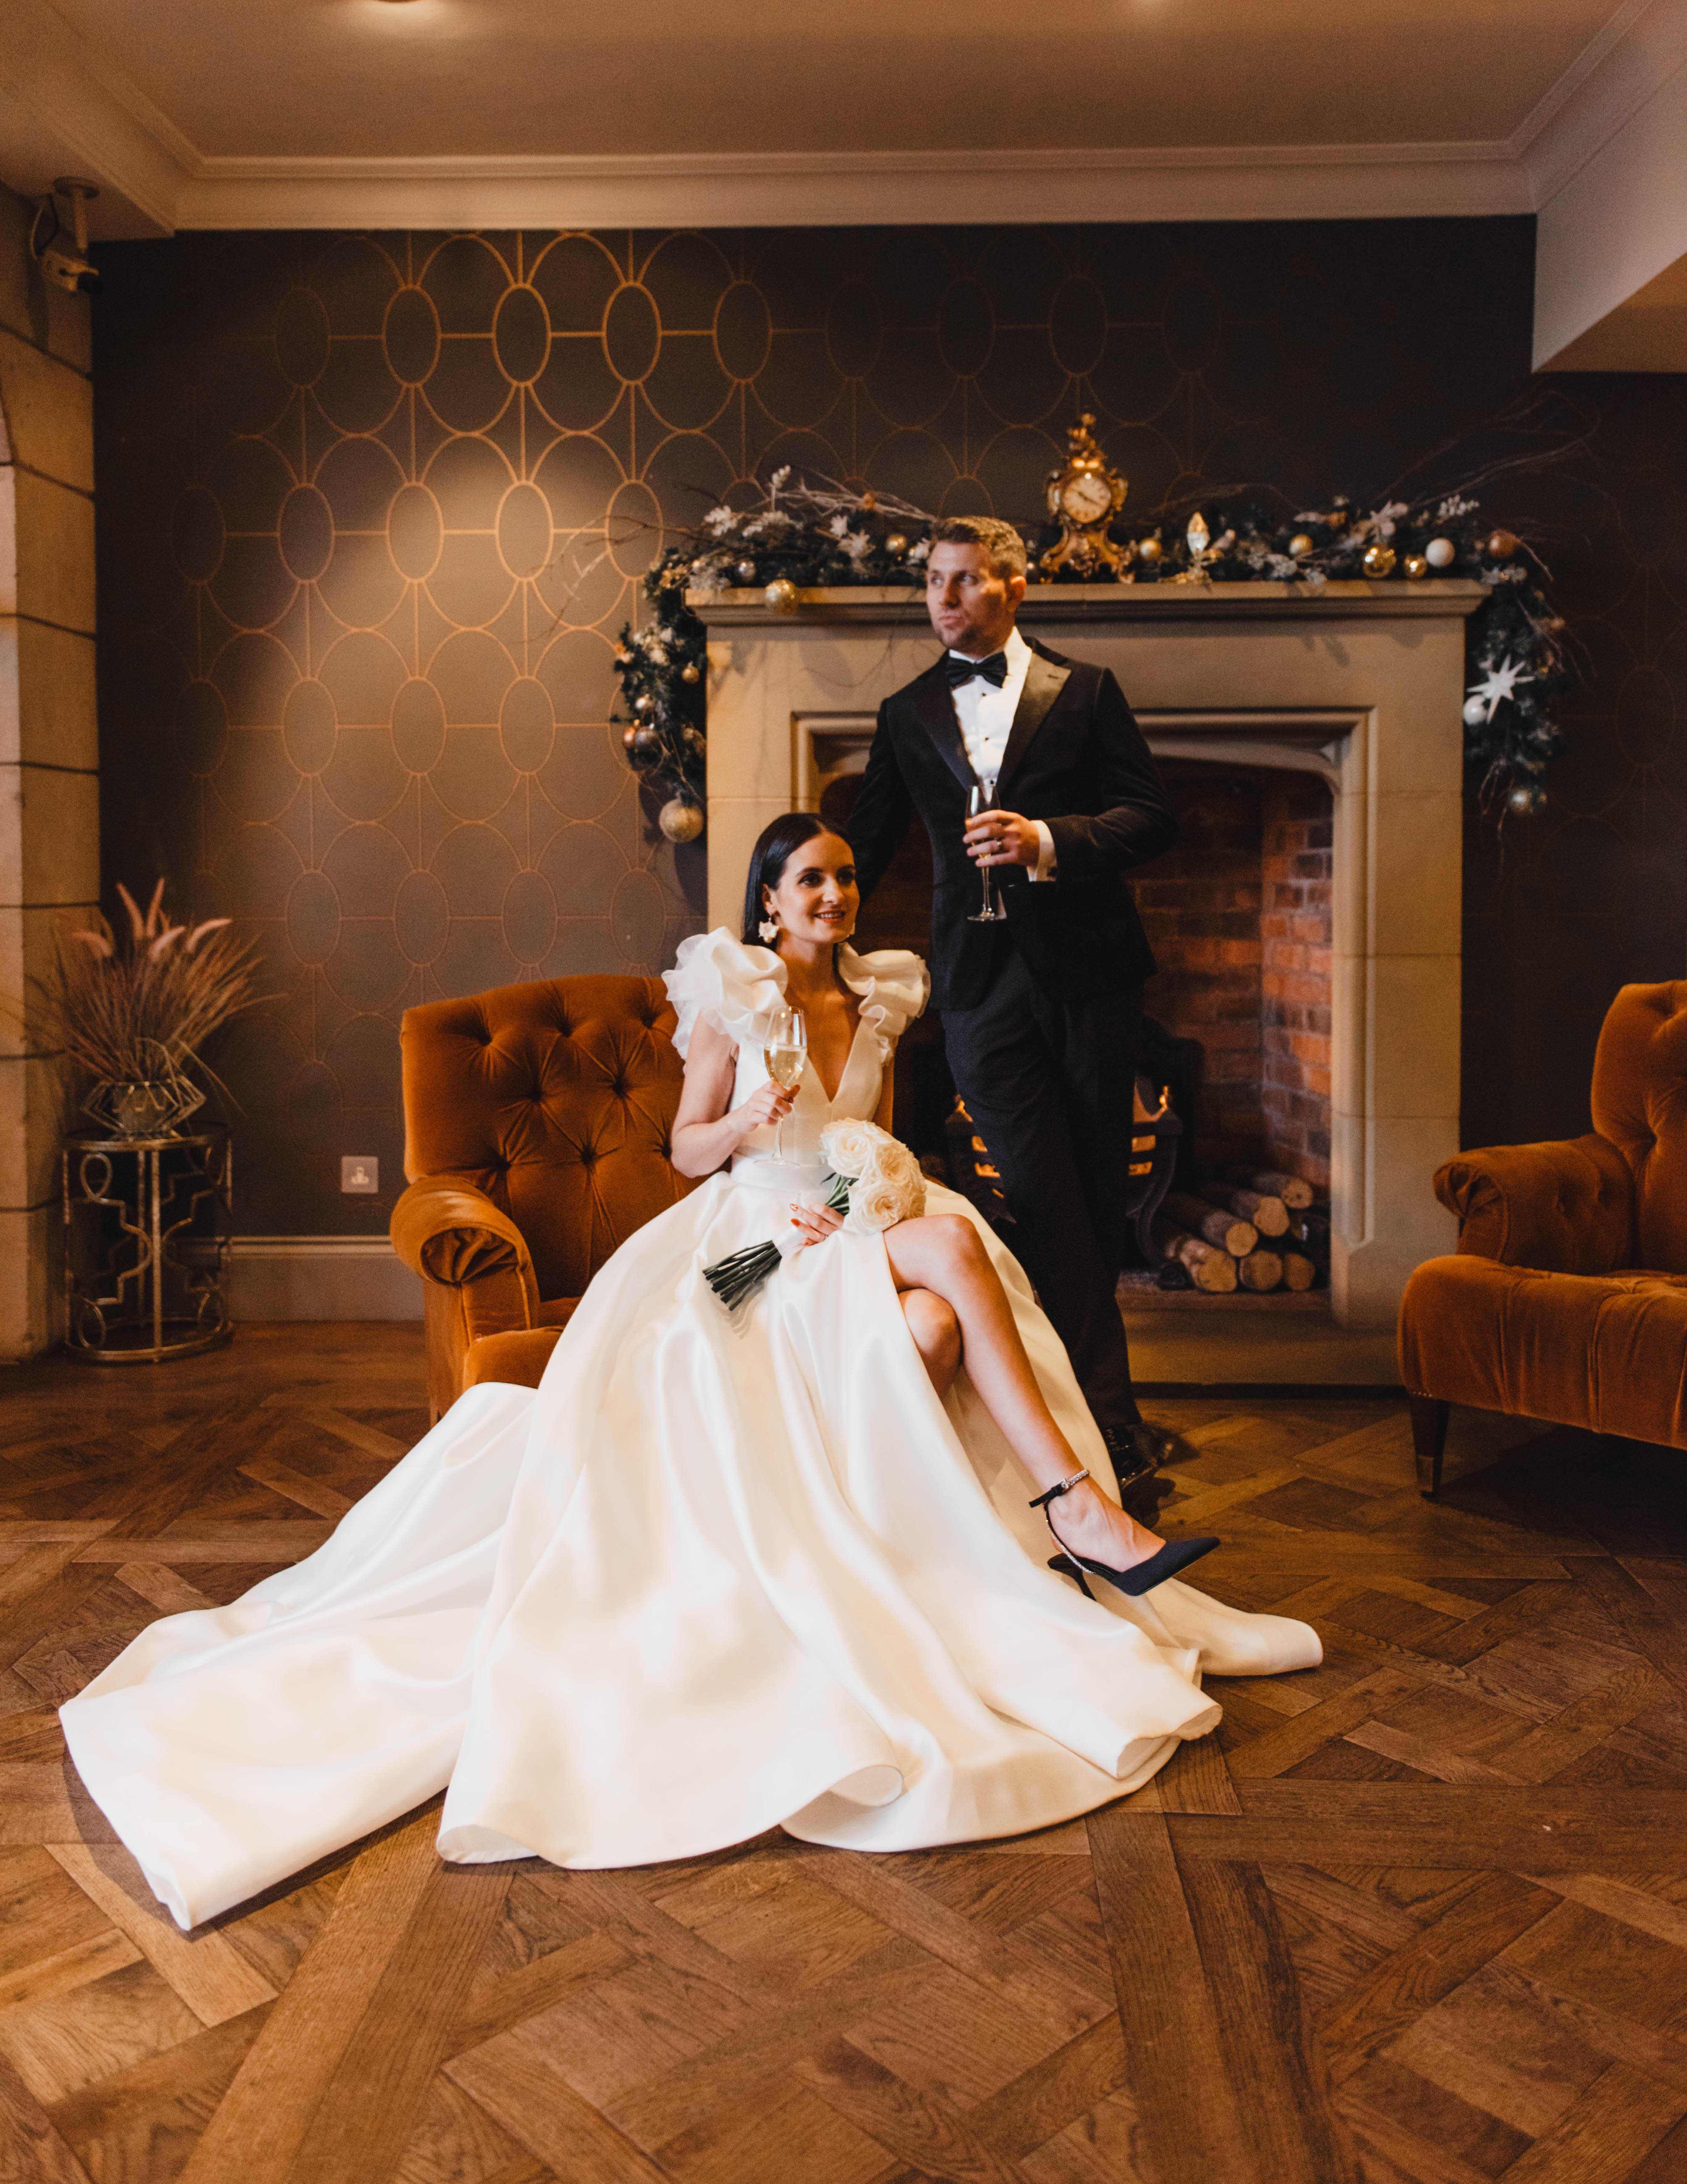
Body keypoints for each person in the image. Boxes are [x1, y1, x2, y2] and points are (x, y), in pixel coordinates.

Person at [59, 816, 1318, 1932]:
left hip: (848, 1225)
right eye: (809, 880)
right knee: (943, 1270)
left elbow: (880, 1143)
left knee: (937, 1316)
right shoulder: (734, 1001)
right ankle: (1072, 1508)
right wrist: (753, 1121)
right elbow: (684, 1149)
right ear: (768, 901)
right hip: (752, 1246)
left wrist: (862, 1190)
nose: (832, 896)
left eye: (843, 878)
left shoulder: (879, 999)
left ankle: (941, 1536)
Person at [849, 517, 1176, 1491]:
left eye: (966, 580)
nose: (944, 599)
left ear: (1014, 587)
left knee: (1093, 1196)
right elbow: (863, 845)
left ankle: (1083, 1422)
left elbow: (1151, 817)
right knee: (1038, 1196)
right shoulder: (904, 712)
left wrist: (1047, 840)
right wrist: (778, 927)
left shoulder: (1087, 691)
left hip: (1090, 979)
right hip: (976, 991)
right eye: (933, 581)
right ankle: (1104, 1425)